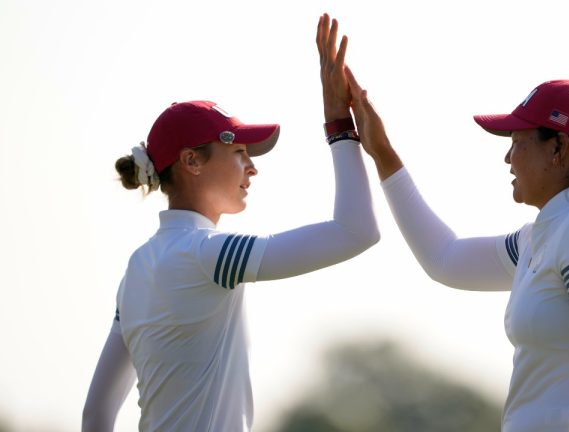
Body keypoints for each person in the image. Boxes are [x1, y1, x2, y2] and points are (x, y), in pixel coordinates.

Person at [81, 14, 378, 432]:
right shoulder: (209, 254)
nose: (251, 167)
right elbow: (356, 232)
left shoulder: (137, 268)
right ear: (190, 161)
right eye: (238, 151)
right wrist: (339, 127)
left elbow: (95, 415)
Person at [345, 69, 569, 432]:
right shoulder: (547, 234)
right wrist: (381, 153)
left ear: (558, 149)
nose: (508, 158)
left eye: (518, 141)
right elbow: (446, 258)